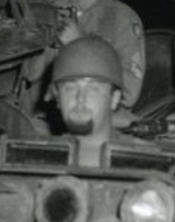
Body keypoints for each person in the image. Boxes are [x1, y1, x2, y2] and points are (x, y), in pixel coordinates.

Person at [50, 37, 127, 167]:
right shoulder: (38, 158)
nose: (80, 98)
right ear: (57, 98)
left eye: (93, 88)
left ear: (114, 98)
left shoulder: (145, 161)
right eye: (70, 88)